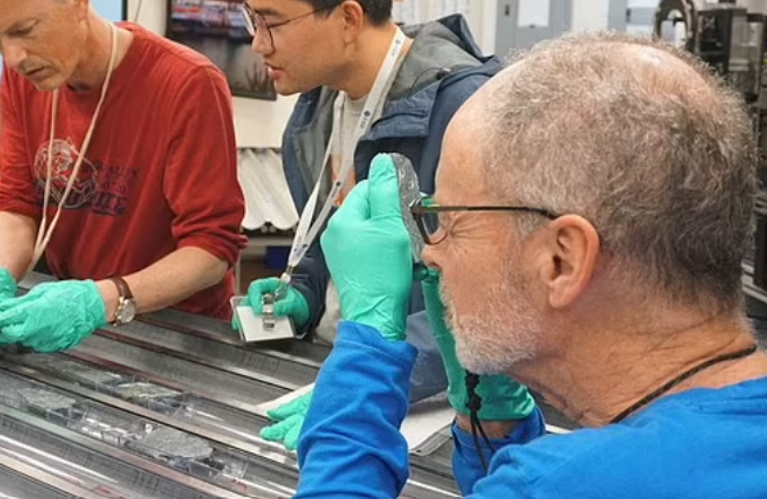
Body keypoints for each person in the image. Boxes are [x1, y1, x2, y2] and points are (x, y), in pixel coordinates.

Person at [294, 32, 767, 498]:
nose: (432, 251)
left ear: (561, 260)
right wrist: (495, 419)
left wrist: (366, 352)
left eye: (449, 220)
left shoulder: (554, 485)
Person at [233, 0, 501, 449]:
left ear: (348, 18)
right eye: (251, 20)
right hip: (344, 368)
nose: (258, 44)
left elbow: (488, 298)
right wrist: (302, 295)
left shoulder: (463, 113)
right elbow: (333, 247)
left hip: (431, 406)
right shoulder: (314, 112)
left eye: (274, 22)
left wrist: (367, 385)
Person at [0, 0, 247, 354]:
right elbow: (16, 205)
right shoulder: (23, 77)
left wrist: (103, 299)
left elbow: (211, 249)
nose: (12, 56)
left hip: (178, 336)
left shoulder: (186, 84)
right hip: (83, 332)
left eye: (23, 30)